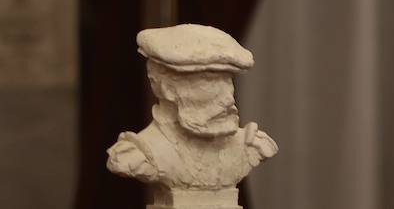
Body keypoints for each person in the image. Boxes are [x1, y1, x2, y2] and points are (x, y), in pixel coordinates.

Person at [106, 24, 278, 199]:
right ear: (165, 88)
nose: (228, 99)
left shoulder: (250, 145)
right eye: (208, 83)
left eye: (228, 82)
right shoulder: (139, 153)